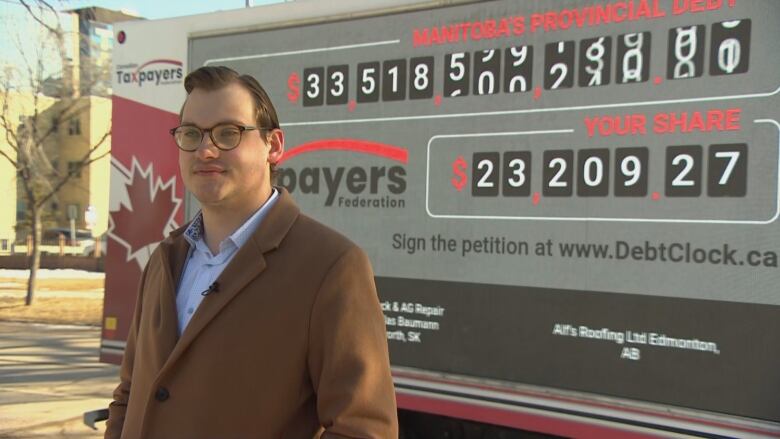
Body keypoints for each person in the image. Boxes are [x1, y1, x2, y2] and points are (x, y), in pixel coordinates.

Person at [105, 66, 397, 438]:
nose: (205, 149)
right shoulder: (165, 259)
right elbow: (130, 394)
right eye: (191, 134)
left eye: (228, 133)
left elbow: (363, 429)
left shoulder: (332, 266)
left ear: (273, 146)